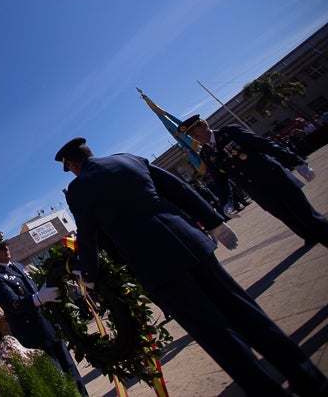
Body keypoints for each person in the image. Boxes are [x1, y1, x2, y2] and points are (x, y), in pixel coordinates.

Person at [56, 136, 328, 396]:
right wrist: (214, 223)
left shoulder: (80, 189)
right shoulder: (129, 159)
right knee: (245, 311)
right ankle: (308, 379)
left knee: (215, 333)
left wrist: (89, 275)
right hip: (189, 243)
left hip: (156, 264)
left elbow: (87, 233)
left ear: (74, 165)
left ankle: (266, 389)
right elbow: (178, 189)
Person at [181, 115, 328, 247]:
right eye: (191, 135)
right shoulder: (206, 154)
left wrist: (295, 161)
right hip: (257, 191)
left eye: (195, 131)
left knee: (307, 215)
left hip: (275, 179)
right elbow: (220, 180)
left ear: (204, 125)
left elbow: (264, 144)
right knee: (288, 218)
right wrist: (226, 202)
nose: (195, 137)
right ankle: (310, 237)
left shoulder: (230, 132)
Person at [0, 232, 88, 396]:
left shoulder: (17, 266)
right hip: (32, 334)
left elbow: (34, 288)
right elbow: (13, 304)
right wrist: (39, 298)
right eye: (0, 247)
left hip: (49, 327)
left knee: (71, 371)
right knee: (57, 380)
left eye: (6, 245)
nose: (6, 248)